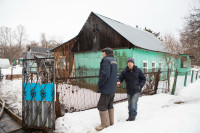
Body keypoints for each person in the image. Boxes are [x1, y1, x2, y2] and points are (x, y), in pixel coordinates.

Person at [96, 47, 117, 131]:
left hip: (106, 88)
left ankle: (104, 124)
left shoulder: (106, 60)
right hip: (112, 87)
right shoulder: (114, 61)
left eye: (103, 52)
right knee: (109, 104)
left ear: (106, 53)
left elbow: (105, 75)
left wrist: (100, 84)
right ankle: (111, 122)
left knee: (101, 105)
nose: (102, 54)